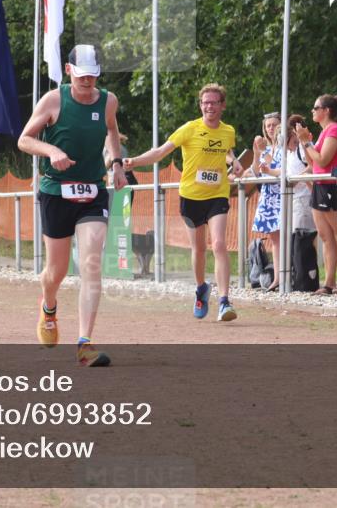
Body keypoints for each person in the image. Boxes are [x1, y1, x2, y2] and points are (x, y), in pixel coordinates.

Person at [18, 45, 127, 367]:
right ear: (68, 71)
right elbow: (24, 139)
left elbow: (111, 129)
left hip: (93, 189)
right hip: (56, 191)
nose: (88, 83)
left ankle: (84, 344)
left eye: (93, 77)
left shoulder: (108, 101)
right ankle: (48, 306)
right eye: (82, 77)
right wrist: (51, 151)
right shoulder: (53, 100)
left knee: (92, 263)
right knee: (57, 271)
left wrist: (117, 162)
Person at [125, 83, 243, 322]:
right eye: (205, 102)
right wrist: (134, 161)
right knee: (198, 249)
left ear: (222, 105)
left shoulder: (228, 131)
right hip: (190, 196)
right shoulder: (189, 129)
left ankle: (224, 301)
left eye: (213, 102)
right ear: (201, 105)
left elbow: (227, 149)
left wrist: (234, 161)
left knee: (219, 244)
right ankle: (201, 289)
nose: (209, 106)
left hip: (218, 194)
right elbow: (160, 153)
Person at [295, 94, 337, 295]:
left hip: (331, 186)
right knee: (326, 236)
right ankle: (329, 282)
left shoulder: (334, 129)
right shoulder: (325, 131)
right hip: (320, 186)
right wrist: (304, 141)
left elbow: (324, 160)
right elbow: (312, 162)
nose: (312, 111)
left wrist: (307, 142)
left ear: (326, 111)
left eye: (316, 108)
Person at [248, 113, 283, 290]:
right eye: (268, 125)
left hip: (282, 195)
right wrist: (256, 153)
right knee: (275, 240)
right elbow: (255, 172)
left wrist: (264, 155)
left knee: (286, 238)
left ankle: (288, 275)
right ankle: (277, 277)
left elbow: (280, 168)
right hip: (268, 197)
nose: (271, 128)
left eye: (274, 125)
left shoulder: (286, 147)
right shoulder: (266, 149)